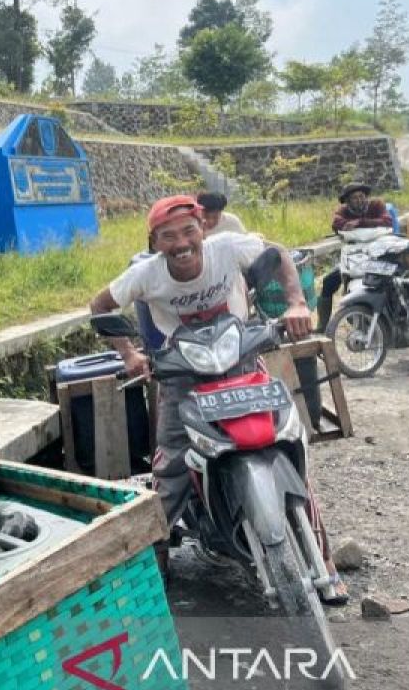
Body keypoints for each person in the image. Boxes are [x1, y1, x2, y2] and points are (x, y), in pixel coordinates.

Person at [88, 194, 347, 602]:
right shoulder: (146, 275)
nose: (181, 242)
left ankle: (324, 561)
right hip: (182, 377)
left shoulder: (228, 248)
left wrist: (297, 303)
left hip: (241, 363)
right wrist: (131, 354)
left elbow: (276, 253)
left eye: (189, 230)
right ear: (156, 243)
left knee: (287, 446)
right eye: (168, 236)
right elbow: (100, 304)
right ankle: (155, 559)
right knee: (172, 466)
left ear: (203, 230)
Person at [315, 183, 394, 332]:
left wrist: (360, 222)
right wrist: (348, 225)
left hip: (376, 254)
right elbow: (336, 223)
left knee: (392, 280)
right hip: (353, 257)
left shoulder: (377, 205)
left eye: (361, 196)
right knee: (328, 282)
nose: (359, 200)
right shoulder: (343, 211)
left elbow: (387, 221)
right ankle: (322, 325)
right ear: (348, 201)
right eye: (354, 198)